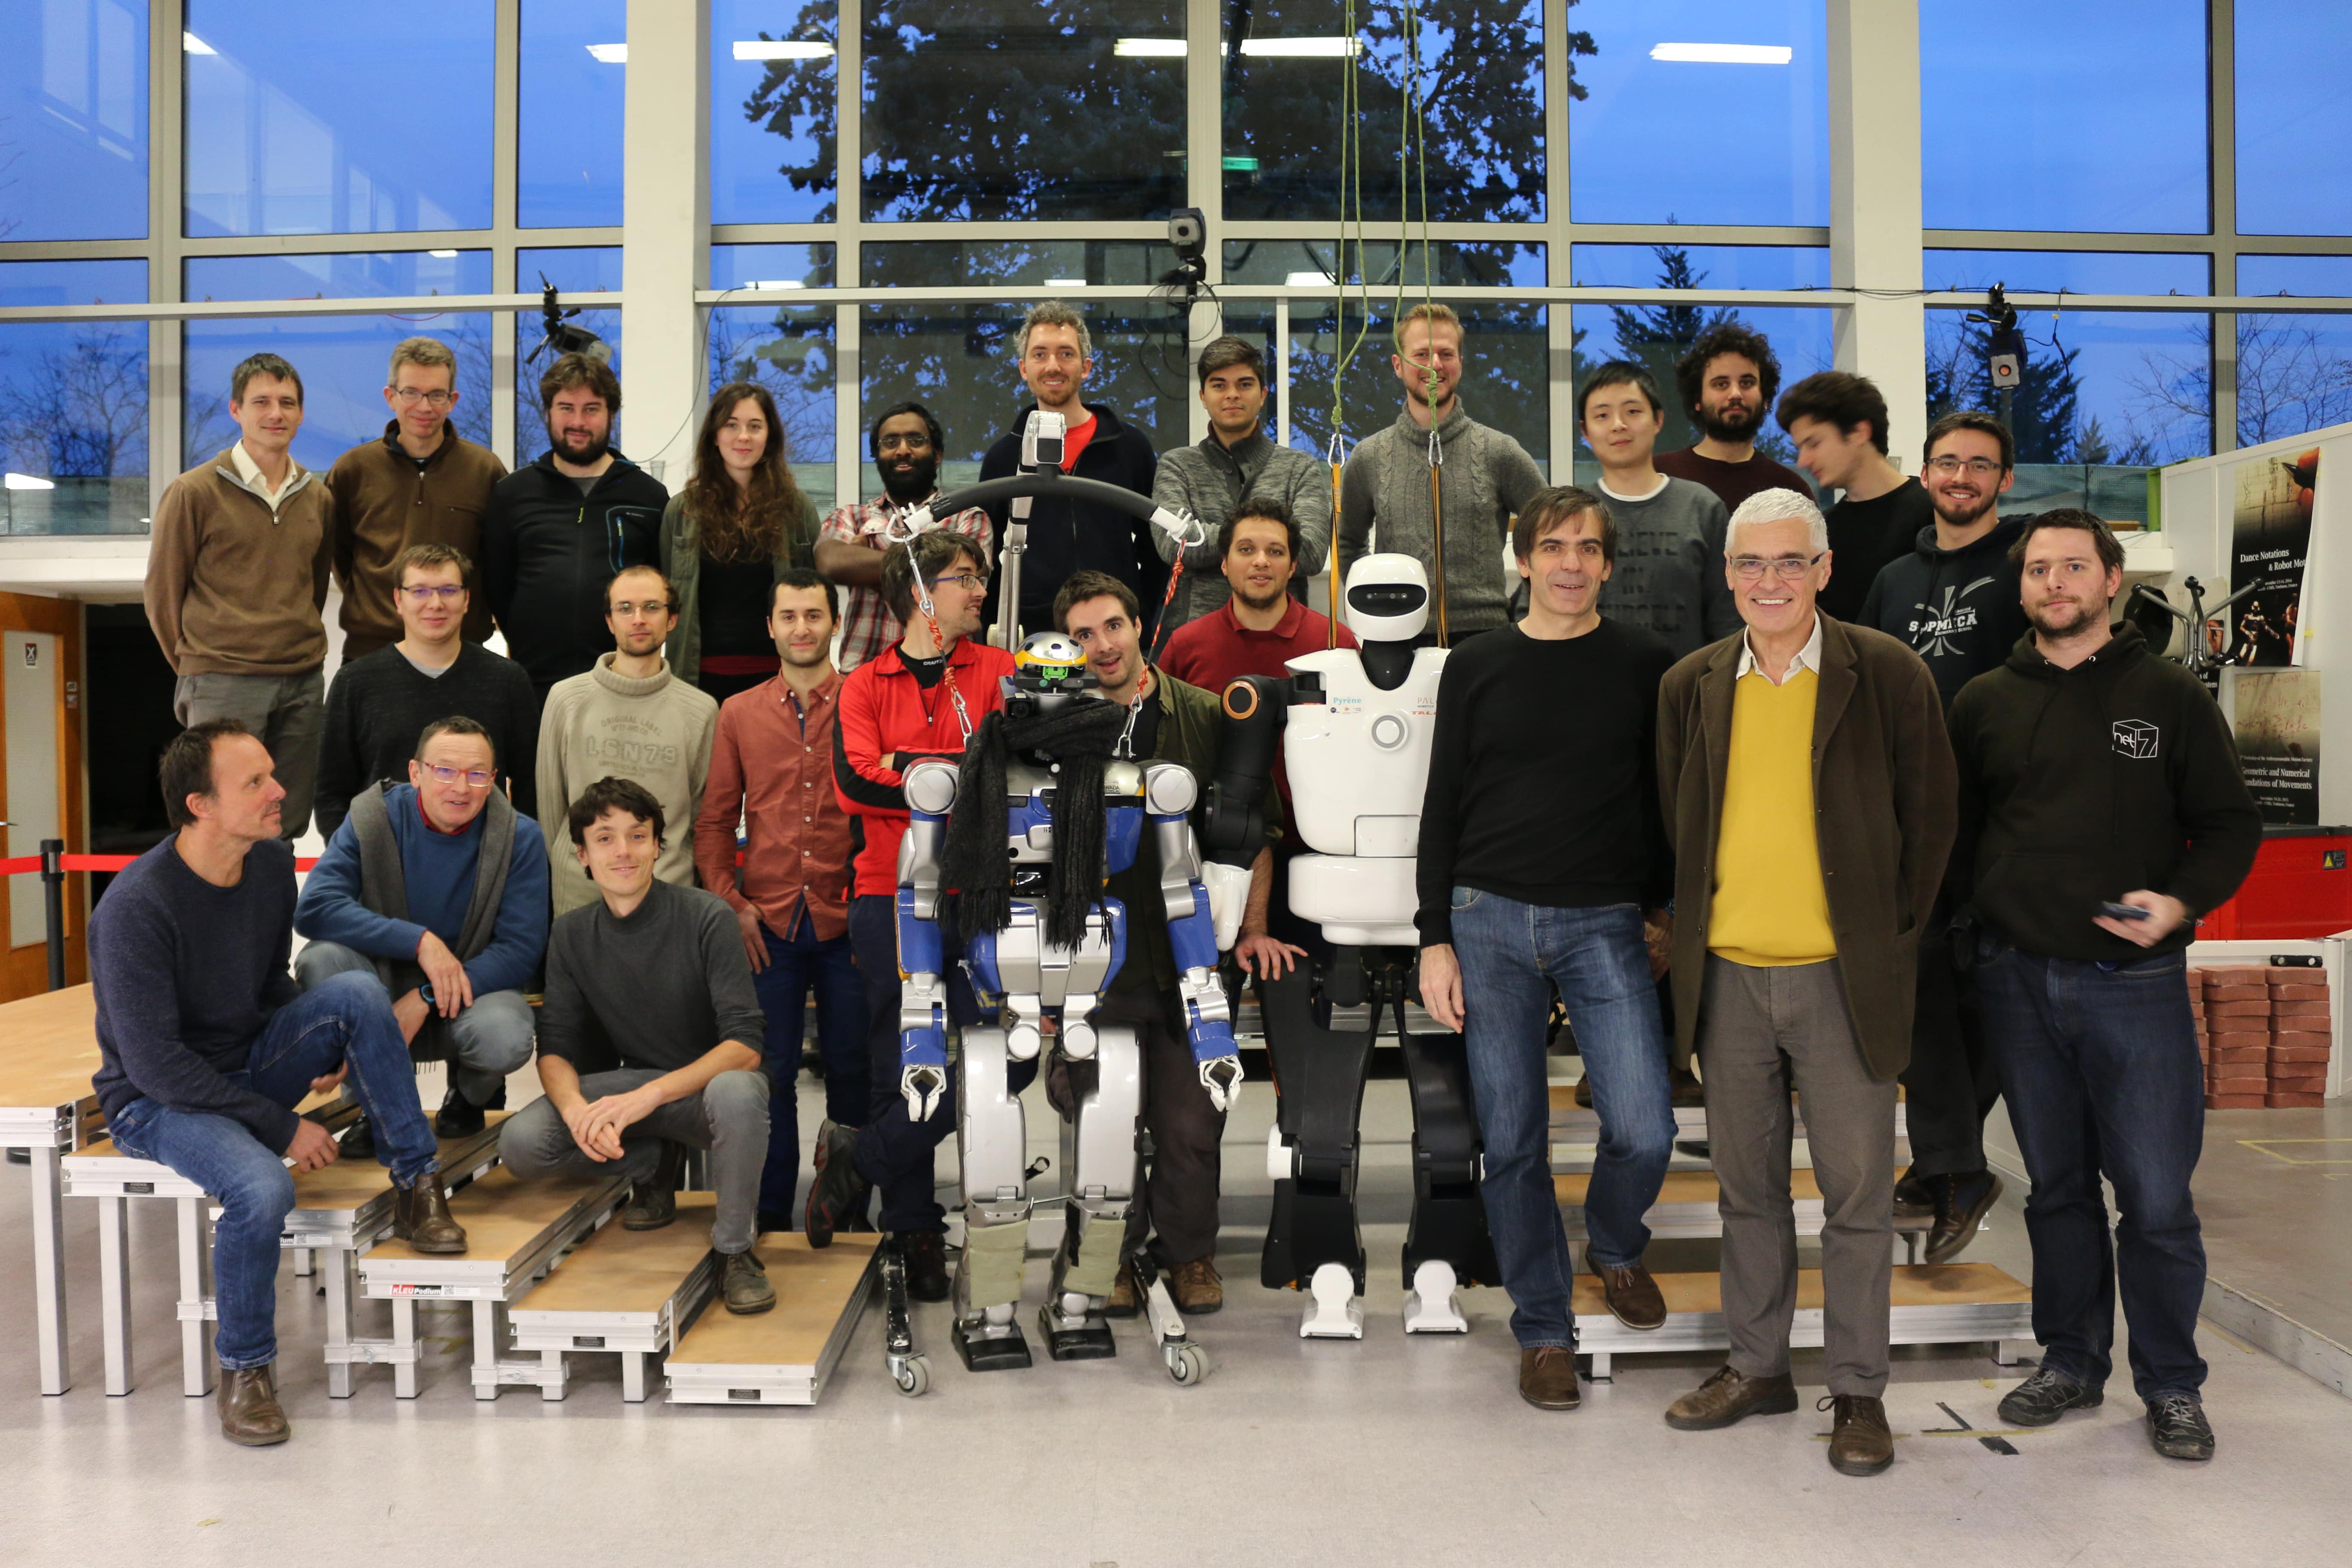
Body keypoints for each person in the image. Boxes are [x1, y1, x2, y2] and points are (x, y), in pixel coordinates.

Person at [1656, 488, 1954, 1478]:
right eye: (1750, 565)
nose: (1769, 582)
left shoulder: (1888, 675)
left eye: (1790, 563)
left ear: (1823, 570)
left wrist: (1882, 937)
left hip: (1840, 981)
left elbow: (1930, 821)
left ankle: (1858, 1391)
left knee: (1857, 1198)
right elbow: (1677, 823)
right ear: (1727, 575)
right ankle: (1756, 1367)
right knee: (1746, 1193)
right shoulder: (1691, 684)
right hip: (1729, 981)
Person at [1952, 510, 2260, 1464]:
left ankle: (2170, 1384)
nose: (2055, 583)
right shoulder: (1984, 703)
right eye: (2039, 569)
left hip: (2135, 985)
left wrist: (2177, 903)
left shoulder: (2167, 694)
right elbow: (1958, 841)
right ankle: (2071, 1362)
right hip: (2017, 982)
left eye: (2073, 567)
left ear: (2113, 580)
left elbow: (2229, 827)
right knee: (2055, 1191)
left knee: (2159, 1199)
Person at [90, 720, 463, 1447]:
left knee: (354, 995)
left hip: (242, 1062)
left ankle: (419, 1185)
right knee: (263, 1187)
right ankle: (246, 1369)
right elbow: (157, 1065)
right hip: (154, 1099)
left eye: (272, 774)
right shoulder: (136, 908)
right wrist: (282, 1124)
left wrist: (312, 1035)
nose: (280, 791)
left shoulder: (265, 864)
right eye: (255, 781)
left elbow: (268, 981)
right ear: (200, 805)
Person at [1414, 487, 1679, 1412]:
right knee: (1515, 1140)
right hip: (1486, 919)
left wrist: (1668, 911)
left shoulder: (1650, 665)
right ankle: (1541, 1327)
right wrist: (1433, 938)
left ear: (1609, 565)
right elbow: (1442, 802)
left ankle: (1614, 1245)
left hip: (1605, 919)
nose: (1571, 563)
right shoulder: (1476, 665)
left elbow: (1670, 801)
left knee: (1646, 1126)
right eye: (1554, 546)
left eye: (1589, 548)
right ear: (1523, 559)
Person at [1054, 570, 1296, 1316]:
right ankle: (1108, 1255)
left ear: (1140, 627)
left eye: (1113, 626)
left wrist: (1252, 928)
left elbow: (1255, 832)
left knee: (1193, 1122)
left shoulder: (1202, 714)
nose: (1101, 645)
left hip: (1190, 960)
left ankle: (1191, 1254)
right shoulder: (1053, 721)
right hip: (1092, 961)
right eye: (1084, 634)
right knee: (1102, 1118)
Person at [804, 530, 1017, 1301]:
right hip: (887, 895)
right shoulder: (861, 683)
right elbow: (856, 788)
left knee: (1012, 1051)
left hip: (983, 895)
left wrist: (914, 770)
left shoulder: (1001, 671)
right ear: (921, 595)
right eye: (965, 579)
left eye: (981, 577)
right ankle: (915, 1227)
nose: (980, 591)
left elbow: (1018, 775)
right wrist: (968, 777)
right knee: (906, 1065)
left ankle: (859, 1159)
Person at [1853, 410, 2035, 1259]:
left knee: (1993, 990)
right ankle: (1956, 1163)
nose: (1961, 477)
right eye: (1948, 463)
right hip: (1913, 812)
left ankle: (1949, 1164)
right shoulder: (1892, 580)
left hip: (2010, 813)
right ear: (1924, 473)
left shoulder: (2029, 565)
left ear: (2004, 478)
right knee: (1916, 982)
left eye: (1980, 465)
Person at [498, 778, 778, 1315]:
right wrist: (578, 1111)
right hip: (636, 1090)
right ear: (582, 856)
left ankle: (735, 1252)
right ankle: (651, 1165)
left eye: (637, 836)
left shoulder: (707, 917)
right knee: (523, 1143)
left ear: (657, 846)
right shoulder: (572, 933)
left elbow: (744, 1047)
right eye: (605, 839)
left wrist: (647, 1098)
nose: (622, 852)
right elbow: (555, 1045)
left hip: (705, 1096)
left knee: (740, 1092)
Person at [692, 569, 869, 1236]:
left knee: (855, 1068)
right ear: (771, 627)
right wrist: (729, 903)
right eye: (789, 616)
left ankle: (849, 1210)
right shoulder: (737, 713)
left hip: (849, 915)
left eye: (814, 616)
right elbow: (714, 823)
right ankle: (770, 1213)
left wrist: (872, 903)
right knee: (770, 1074)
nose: (802, 629)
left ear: (834, 623)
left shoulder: (863, 701)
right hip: (765, 923)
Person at [294, 715, 550, 1143]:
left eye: (477, 775)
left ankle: (468, 1098)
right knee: (320, 960)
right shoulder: (372, 818)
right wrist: (419, 942)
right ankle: (374, 1105)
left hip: (470, 988)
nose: (461, 788)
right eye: (445, 770)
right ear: (416, 772)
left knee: (506, 1035)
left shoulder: (519, 837)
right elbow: (315, 908)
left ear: (493, 779)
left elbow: (520, 950)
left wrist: (426, 996)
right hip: (382, 979)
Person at [143, 352, 335, 842]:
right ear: (236, 410)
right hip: (222, 678)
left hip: (301, 678)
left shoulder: (317, 497)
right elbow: (163, 594)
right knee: (222, 817)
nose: (276, 413)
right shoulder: (193, 492)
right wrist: (198, 664)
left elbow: (311, 588)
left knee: (284, 823)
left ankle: (270, 919)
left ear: (301, 413)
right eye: (262, 402)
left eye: (288, 402)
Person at [1158, 495, 1357, 959]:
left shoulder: (1336, 645)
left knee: (1308, 1000)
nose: (1261, 561)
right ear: (1224, 564)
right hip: (1211, 853)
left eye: (1276, 551)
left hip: (1312, 853)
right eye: (1246, 550)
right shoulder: (1187, 645)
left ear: (1293, 567)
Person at [1336, 302, 1546, 642]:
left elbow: (1551, 532)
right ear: (1398, 366)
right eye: (1421, 354)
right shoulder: (1369, 457)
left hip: (1486, 637)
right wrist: (1372, 605)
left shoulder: (1500, 452)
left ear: (1461, 363)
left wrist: (1523, 610)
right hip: (1395, 637)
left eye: (1446, 354)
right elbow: (1348, 542)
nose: (1435, 366)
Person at [312, 543, 542, 840]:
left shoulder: (508, 681)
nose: (435, 604)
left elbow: (531, 786)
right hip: (382, 859)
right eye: (419, 591)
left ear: (466, 599)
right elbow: (331, 792)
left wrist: (517, 855)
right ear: (398, 599)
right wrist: (354, 858)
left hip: (485, 862)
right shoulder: (355, 682)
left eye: (448, 590)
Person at [481, 353, 669, 706]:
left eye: (592, 409)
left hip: (625, 681)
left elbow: (663, 587)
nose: (578, 421)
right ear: (549, 413)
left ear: (611, 414)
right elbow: (498, 587)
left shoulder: (649, 496)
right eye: (566, 408)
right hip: (532, 683)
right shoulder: (512, 494)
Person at [535, 564, 718, 919]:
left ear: (673, 619)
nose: (638, 619)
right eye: (625, 608)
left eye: (652, 607)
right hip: (578, 895)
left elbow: (699, 816)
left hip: (668, 895)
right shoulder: (566, 699)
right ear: (609, 621)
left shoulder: (701, 711)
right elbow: (551, 808)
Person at [977, 301, 1163, 636]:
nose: (1053, 366)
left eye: (1066, 354)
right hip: (1032, 635)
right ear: (1023, 368)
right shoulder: (1003, 457)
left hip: (1117, 635)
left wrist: (1143, 620)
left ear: (1086, 366)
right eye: (1040, 355)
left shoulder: (1130, 447)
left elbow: (1156, 553)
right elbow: (985, 560)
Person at [325, 336, 507, 661]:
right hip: (372, 651)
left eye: (436, 395)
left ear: (452, 400)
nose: (424, 407)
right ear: (390, 396)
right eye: (411, 393)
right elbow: (339, 556)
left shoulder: (485, 471)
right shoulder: (352, 471)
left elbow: (499, 561)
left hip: (462, 653)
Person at [1148, 336, 1333, 637]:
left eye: (1244, 385)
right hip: (1195, 638)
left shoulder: (1300, 468)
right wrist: (1270, 545)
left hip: (1284, 639)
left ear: (1262, 395)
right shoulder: (1176, 466)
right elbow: (1175, 546)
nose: (1232, 394)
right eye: (1219, 385)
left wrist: (1208, 537)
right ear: (1203, 397)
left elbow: (1311, 553)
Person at [660, 380, 821, 702]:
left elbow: (815, 593)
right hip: (697, 678)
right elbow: (668, 597)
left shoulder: (796, 509)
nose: (743, 436)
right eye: (731, 425)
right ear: (714, 436)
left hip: (778, 676)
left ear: (769, 437)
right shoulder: (682, 511)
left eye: (755, 426)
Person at [1580, 360, 1740, 661]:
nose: (1618, 425)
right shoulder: (1571, 514)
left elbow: (1728, 619)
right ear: (1585, 431)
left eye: (1633, 411)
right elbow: (1536, 609)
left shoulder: (1703, 508)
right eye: (1602, 415)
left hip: (1684, 693)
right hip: (1589, 691)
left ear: (1658, 420)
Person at [815, 401, 993, 672]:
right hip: (863, 677)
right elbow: (830, 562)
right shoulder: (852, 516)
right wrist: (934, 569)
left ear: (937, 455)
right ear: (877, 457)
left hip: (946, 678)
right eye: (890, 442)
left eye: (915, 440)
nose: (902, 450)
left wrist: (869, 564)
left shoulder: (968, 517)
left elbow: (968, 579)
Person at [1774, 371, 1931, 624]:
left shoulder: (1934, 511)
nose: (1803, 461)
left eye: (1813, 444)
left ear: (1859, 432)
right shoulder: (1822, 532)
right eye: (1799, 448)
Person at [1655, 322, 1812, 516]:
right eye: (1721, 384)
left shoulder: (1790, 489)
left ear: (1765, 398)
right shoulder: (1659, 477)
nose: (1736, 394)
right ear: (1698, 400)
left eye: (1747, 383)